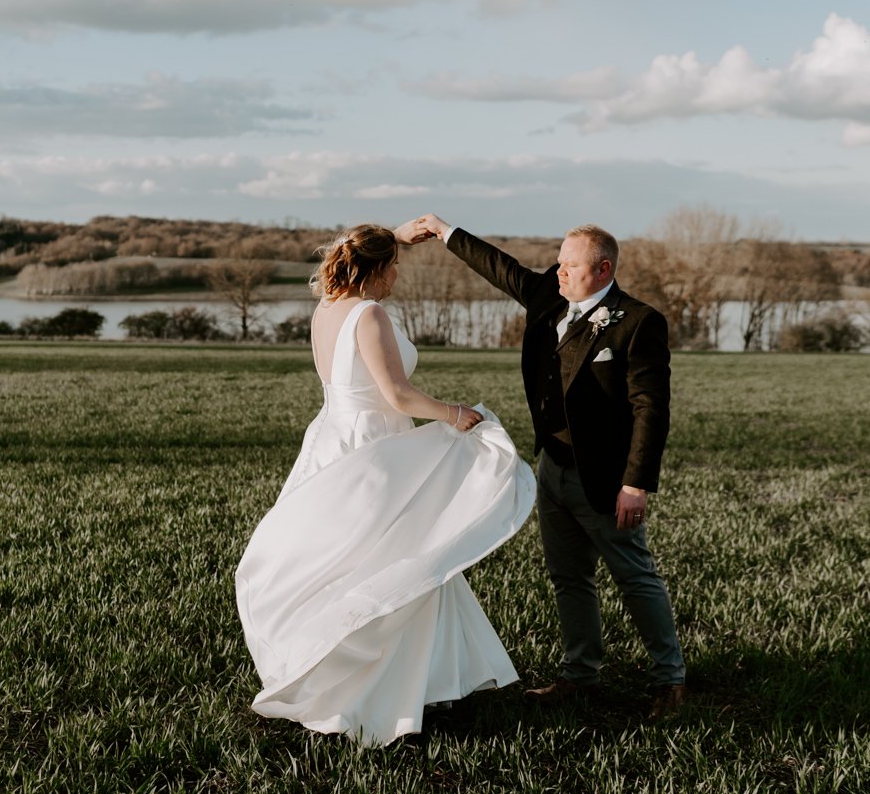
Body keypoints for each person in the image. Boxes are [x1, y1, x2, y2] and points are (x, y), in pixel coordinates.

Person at [235, 223, 536, 746]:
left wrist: (388, 235)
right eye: (393, 265)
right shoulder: (369, 314)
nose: (397, 274)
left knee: (345, 559)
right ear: (374, 270)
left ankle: (399, 680)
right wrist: (454, 414)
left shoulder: (326, 308)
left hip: (332, 439)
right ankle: (374, 693)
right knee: (392, 559)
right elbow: (397, 395)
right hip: (372, 449)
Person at [396, 214, 687, 720]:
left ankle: (670, 681)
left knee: (634, 577)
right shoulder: (551, 299)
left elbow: (650, 409)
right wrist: (445, 232)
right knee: (569, 578)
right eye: (557, 262)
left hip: (606, 479)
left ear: (602, 268)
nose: (558, 272)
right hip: (551, 468)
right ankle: (580, 676)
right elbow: (501, 268)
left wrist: (636, 483)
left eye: (569, 265)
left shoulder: (639, 322)